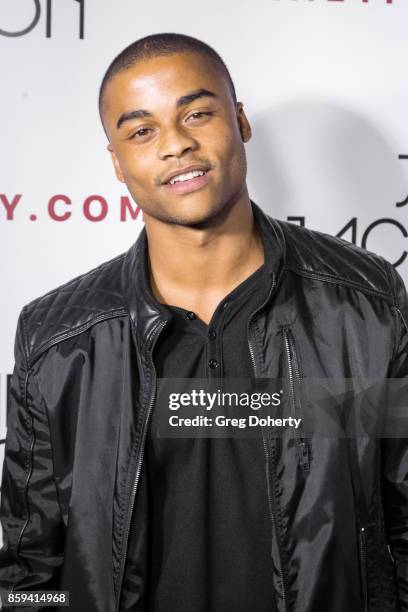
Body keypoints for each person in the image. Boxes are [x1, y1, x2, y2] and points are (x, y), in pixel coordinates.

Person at [0, 32, 407, 612]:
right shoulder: (59, 341)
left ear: (239, 120)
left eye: (197, 113)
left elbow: (403, 522)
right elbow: (28, 573)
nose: (176, 145)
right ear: (116, 162)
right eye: (142, 131)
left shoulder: (364, 308)